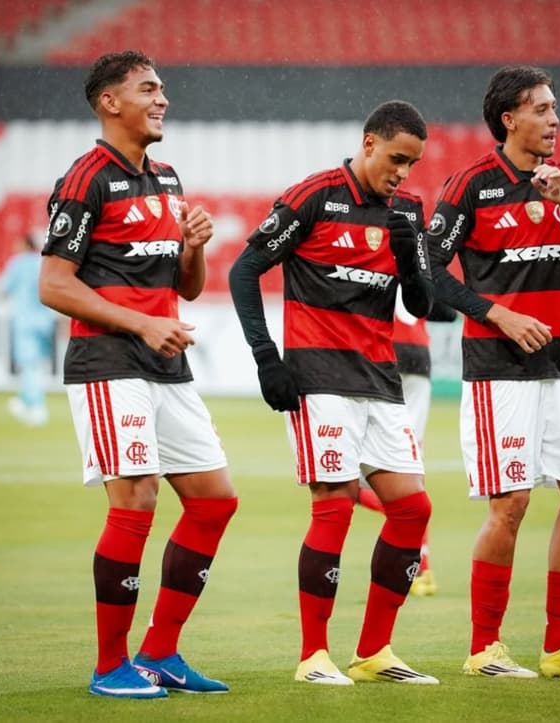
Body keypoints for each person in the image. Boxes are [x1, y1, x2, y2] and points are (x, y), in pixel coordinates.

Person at [425, 64, 560, 679]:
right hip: (497, 370)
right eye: (541, 109)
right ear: (509, 119)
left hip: (558, 365)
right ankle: (484, 650)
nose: (554, 119)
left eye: (555, 107)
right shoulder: (471, 185)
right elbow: (430, 274)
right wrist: (498, 315)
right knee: (511, 504)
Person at [38, 50, 238, 699]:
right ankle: (108, 665)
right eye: (149, 88)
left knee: (215, 499)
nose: (163, 100)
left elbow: (185, 287)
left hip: (166, 363)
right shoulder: (85, 178)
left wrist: (195, 248)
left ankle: (160, 653)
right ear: (110, 102)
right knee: (137, 501)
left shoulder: (167, 179)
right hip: (107, 362)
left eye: (164, 89)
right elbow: (54, 283)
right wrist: (141, 323)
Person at [229, 100, 439, 686]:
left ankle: (374, 652)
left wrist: (408, 255)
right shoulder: (315, 196)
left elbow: (423, 306)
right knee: (335, 505)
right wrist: (268, 359)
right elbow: (244, 271)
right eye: (396, 159)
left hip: (381, 377)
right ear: (368, 142)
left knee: (412, 509)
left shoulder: (409, 210)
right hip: (319, 377)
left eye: (412, 164)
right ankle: (314, 657)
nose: (402, 172)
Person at [357, 294, 459, 597]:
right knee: (411, 464)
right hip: (418, 359)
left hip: (381, 354)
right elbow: (447, 311)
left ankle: (379, 505)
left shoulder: (373, 259)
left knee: (352, 474)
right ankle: (421, 569)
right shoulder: (417, 261)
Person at [2, 231, 58, 426]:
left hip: (25, 320)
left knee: (29, 364)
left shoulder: (18, 263)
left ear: (25, 245)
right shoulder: (44, 262)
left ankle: (37, 406)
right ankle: (25, 400)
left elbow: (5, 288)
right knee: (37, 364)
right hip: (45, 320)